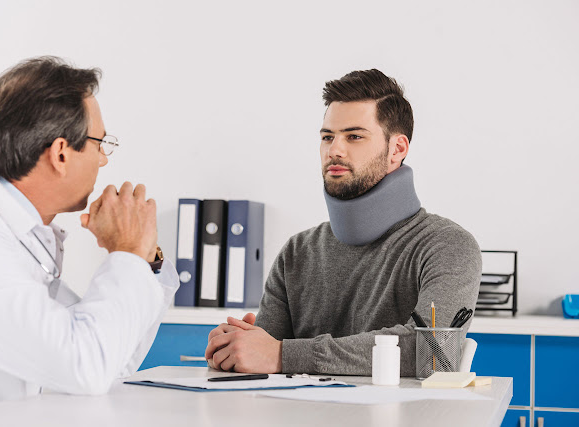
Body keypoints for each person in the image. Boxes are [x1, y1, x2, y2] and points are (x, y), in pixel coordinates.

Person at [0, 57, 179, 414]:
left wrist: (144, 258)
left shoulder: (14, 234)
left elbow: (114, 360)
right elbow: (86, 367)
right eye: (100, 143)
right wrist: (127, 251)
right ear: (61, 154)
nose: (103, 160)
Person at [205, 69, 481, 376]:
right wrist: (234, 348)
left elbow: (433, 353)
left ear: (397, 149)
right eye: (327, 137)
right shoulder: (297, 252)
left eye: (354, 136)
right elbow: (263, 356)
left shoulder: (447, 246)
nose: (334, 150)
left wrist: (285, 354)